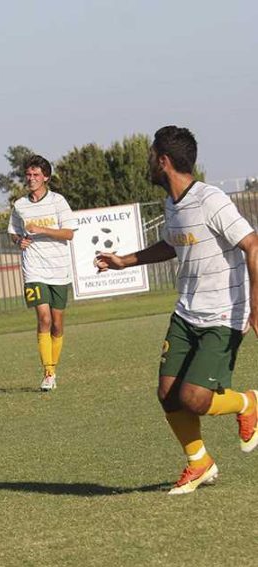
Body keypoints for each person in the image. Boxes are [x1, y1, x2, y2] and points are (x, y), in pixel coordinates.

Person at [96, 125, 258, 495]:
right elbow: (172, 244)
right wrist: (125, 261)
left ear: (164, 161)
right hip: (187, 312)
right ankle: (199, 462)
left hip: (222, 314)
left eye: (152, 156)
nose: (149, 162)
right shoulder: (173, 203)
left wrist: (255, 307)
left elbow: (252, 246)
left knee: (194, 399)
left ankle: (249, 402)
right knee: (168, 393)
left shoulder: (210, 200)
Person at [7, 155, 78, 391]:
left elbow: (69, 233)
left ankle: (53, 369)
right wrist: (19, 241)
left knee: (57, 324)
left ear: (46, 177)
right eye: (28, 174)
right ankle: (48, 373)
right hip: (33, 269)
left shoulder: (58, 202)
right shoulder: (20, 205)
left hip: (59, 270)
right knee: (44, 318)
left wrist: (41, 229)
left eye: (36, 175)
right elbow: (14, 233)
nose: (31, 179)